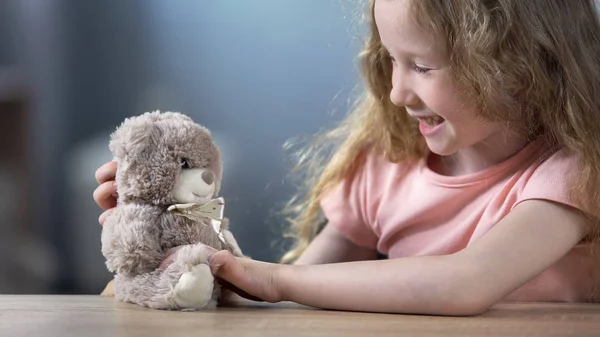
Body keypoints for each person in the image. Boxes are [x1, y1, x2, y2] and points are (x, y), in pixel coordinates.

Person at [93, 0, 600, 315]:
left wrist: (271, 278)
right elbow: (294, 290)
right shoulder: (384, 163)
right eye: (391, 61)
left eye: (421, 66)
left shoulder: (574, 171)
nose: (398, 91)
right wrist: (174, 258)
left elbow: (466, 283)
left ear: (518, 65)